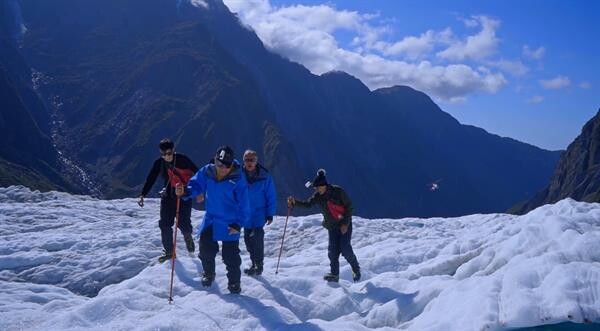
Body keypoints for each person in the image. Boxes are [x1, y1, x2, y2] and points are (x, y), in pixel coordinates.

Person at [176, 146, 250, 294]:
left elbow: (245, 205)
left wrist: (238, 224)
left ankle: (234, 284)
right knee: (205, 249)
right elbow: (196, 184)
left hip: (231, 222)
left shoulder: (238, 178)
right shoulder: (207, 171)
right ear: (215, 160)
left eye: (226, 166)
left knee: (231, 256)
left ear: (231, 165)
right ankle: (209, 273)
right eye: (219, 164)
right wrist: (186, 191)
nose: (222, 168)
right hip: (211, 219)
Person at [287, 169, 361, 282]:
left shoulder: (338, 191)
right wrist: (294, 202)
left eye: (317, 187)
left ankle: (356, 269)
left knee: (345, 249)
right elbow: (308, 204)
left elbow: (349, 207)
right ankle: (334, 275)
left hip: (344, 224)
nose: (316, 189)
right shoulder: (318, 196)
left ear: (324, 185)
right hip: (332, 227)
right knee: (333, 251)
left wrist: (345, 223)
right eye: (315, 187)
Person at [139, 138, 198, 263]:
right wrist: (143, 194)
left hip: (184, 195)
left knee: (183, 224)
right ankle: (169, 251)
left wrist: (198, 191)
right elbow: (151, 178)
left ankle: (188, 237)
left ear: (173, 150)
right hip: (168, 197)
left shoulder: (182, 159)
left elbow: (197, 173)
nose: (167, 156)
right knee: (165, 224)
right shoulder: (159, 163)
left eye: (169, 153)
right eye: (164, 154)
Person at [241, 150, 277, 276]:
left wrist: (270, 213)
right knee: (248, 240)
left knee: (257, 238)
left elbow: (270, 196)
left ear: (256, 161)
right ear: (243, 161)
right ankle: (254, 263)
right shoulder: (238, 175)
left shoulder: (265, 176)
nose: (249, 162)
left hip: (259, 213)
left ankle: (259, 265)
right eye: (247, 160)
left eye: (252, 160)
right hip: (245, 215)